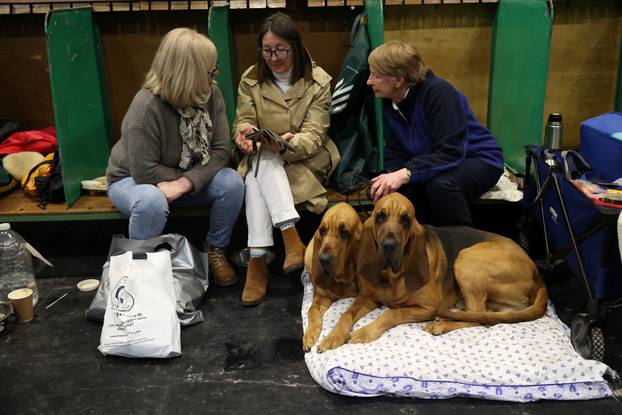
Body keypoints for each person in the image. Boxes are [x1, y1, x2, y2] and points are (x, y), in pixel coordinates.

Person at [106, 28, 244, 287]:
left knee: (232, 182)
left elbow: (221, 151)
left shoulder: (210, 95)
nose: (215, 78)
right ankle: (140, 273)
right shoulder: (146, 107)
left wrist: (185, 184)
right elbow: (144, 172)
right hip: (132, 180)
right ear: (187, 73)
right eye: (210, 72)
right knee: (151, 200)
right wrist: (187, 179)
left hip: (185, 178)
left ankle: (216, 248)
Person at [232, 12, 340, 306]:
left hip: (304, 161)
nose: (274, 57)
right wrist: (244, 132)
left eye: (281, 49)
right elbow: (243, 118)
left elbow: (315, 135)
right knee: (264, 165)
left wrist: (287, 144)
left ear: (295, 47)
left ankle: (257, 264)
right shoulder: (251, 79)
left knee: (261, 171)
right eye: (267, 50)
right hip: (264, 157)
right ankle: (290, 239)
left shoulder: (317, 82)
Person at [366, 40, 504, 227]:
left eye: (376, 75)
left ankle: (462, 245)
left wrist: (407, 172)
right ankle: (424, 243)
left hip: (479, 158)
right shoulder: (389, 101)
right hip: (436, 161)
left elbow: (451, 151)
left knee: (441, 186)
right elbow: (395, 151)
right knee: (402, 189)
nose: (369, 81)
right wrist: (389, 177)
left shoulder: (439, 92)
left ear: (398, 80)